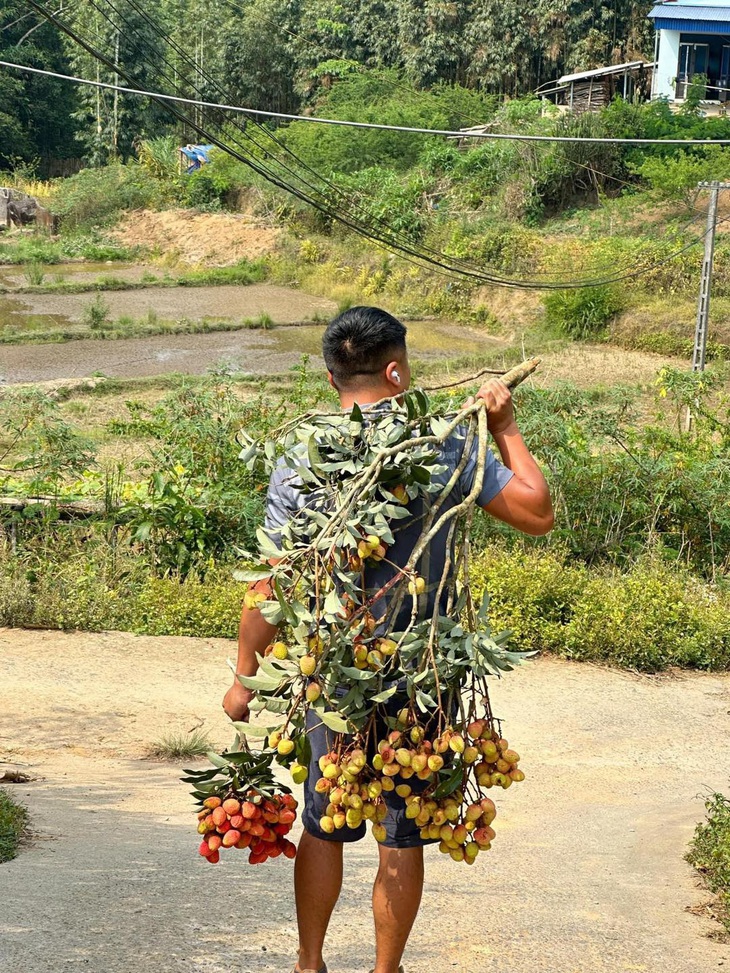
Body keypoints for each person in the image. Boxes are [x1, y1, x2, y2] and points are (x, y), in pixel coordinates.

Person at [223, 306, 554, 973]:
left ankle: (309, 963)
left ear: (330, 377)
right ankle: (385, 970)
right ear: (397, 370)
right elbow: (536, 512)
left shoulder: (300, 459)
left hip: (333, 672)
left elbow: (271, 582)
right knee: (401, 834)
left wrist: (243, 675)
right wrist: (505, 428)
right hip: (420, 671)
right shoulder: (442, 446)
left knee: (324, 821)